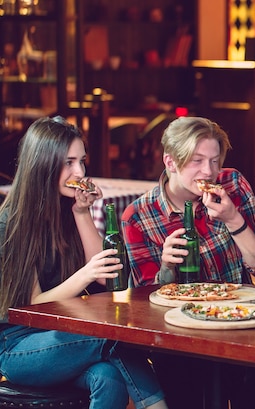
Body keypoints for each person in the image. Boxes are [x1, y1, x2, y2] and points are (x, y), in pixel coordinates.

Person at [0, 116, 167, 409]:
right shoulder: (10, 223)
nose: (79, 171)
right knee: (110, 336)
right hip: (19, 348)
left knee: (108, 377)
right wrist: (83, 275)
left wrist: (81, 212)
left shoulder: (67, 211)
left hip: (65, 338)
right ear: (43, 164)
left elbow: (104, 277)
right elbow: (31, 304)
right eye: (68, 162)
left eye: (81, 161)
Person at [121, 116, 255, 409]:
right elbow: (144, 307)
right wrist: (167, 267)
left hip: (241, 323)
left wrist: (233, 219)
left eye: (214, 161)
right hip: (182, 338)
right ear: (170, 162)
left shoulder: (233, 183)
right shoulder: (138, 216)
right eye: (197, 161)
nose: (209, 171)